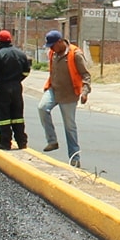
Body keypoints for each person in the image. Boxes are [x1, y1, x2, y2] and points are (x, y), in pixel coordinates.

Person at [39, 29, 91, 166]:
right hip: (54, 90)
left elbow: (86, 75)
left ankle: (74, 158)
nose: (51, 49)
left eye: (53, 45)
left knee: (69, 127)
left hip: (69, 94)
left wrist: (85, 92)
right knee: (42, 108)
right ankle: (52, 141)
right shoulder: (53, 53)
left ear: (60, 42)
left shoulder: (75, 54)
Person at [0, 29, 33, 149]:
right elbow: (26, 71)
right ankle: (22, 142)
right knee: (18, 116)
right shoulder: (20, 54)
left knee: (3, 117)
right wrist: (18, 80)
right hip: (16, 88)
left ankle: (5, 142)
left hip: (2, 88)